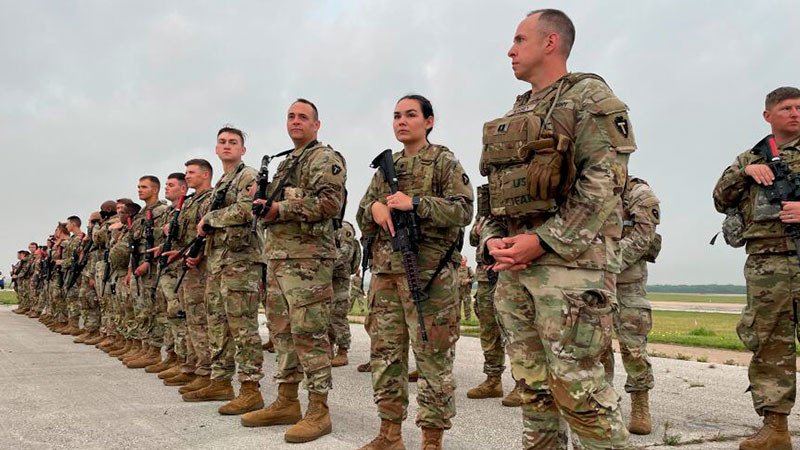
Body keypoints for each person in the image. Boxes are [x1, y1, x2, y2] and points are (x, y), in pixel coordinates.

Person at [479, 9, 636, 449]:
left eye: (520, 40)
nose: (510, 51)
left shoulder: (590, 98)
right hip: (516, 269)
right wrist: (492, 238)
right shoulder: (519, 111)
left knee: (580, 393)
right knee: (534, 391)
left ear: (550, 43)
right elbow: (493, 190)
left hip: (570, 271)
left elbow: (604, 182)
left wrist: (544, 240)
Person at [356, 94, 473, 450]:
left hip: (429, 276)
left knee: (433, 359)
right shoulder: (385, 168)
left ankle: (431, 440)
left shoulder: (443, 161)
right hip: (386, 275)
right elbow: (362, 212)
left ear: (429, 121)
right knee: (386, 358)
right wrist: (375, 209)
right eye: (396, 116)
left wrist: (416, 204)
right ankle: (389, 435)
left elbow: (463, 210)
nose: (402, 122)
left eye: (410, 115)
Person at [243, 99, 346, 444]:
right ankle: (287, 401)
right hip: (279, 259)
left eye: (303, 117)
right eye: (291, 116)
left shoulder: (324, 158)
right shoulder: (286, 161)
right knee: (282, 334)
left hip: (308, 262)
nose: (296, 121)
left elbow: (330, 204)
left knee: (310, 335)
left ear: (317, 125)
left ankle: (319, 410)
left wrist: (280, 207)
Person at [712, 86, 800, 450]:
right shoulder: (751, 156)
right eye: (786, 108)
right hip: (767, 264)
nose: (795, 113)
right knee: (769, 344)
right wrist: (746, 173)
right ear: (768, 116)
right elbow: (720, 198)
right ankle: (775, 429)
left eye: (799, 107)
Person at [181, 126, 265, 418]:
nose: (227, 146)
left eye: (233, 142)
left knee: (242, 327)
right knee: (217, 324)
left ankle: (250, 389)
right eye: (222, 142)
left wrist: (211, 218)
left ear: (243, 150)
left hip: (241, 262)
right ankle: (220, 380)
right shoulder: (222, 182)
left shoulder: (248, 176)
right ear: (216, 149)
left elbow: (247, 209)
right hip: (218, 262)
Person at [600, 176, 661, 435]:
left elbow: (643, 237)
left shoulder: (638, 192)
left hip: (627, 282)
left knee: (633, 348)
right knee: (596, 347)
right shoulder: (587, 186)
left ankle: (640, 405)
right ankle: (603, 404)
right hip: (593, 281)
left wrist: (604, 262)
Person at [169, 159, 215, 394]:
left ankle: (205, 370)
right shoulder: (189, 202)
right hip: (187, 265)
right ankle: (192, 365)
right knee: (189, 319)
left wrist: (198, 254)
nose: (186, 176)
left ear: (205, 175)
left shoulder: (211, 198)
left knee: (199, 320)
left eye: (191, 172)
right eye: (186, 172)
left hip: (201, 266)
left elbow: (209, 232)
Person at [465, 216, 521, 407]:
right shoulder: (483, 214)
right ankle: (493, 379)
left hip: (511, 271)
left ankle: (522, 383)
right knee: (488, 330)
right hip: (485, 275)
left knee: (515, 330)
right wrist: (478, 231)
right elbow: (473, 240)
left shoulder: (511, 207)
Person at [145, 173, 190, 381]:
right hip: (166, 269)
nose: (167, 188)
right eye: (166, 185)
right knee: (169, 314)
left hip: (179, 269)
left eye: (171, 185)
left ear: (183, 188)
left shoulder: (185, 208)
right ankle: (172, 356)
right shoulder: (170, 211)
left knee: (178, 315)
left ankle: (183, 360)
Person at [125, 176, 170, 370]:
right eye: (138, 186)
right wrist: (130, 269)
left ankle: (154, 351)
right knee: (142, 309)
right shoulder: (142, 214)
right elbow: (134, 245)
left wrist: (147, 262)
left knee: (154, 310)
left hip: (152, 268)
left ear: (155, 189)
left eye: (144, 187)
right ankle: (145, 347)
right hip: (138, 267)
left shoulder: (162, 211)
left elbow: (160, 241)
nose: (139, 190)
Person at [330, 219, 361, 367]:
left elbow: (345, 253)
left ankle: (343, 351)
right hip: (324, 277)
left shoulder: (344, 227)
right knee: (323, 314)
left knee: (338, 313)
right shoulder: (325, 225)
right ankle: (328, 348)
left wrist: (322, 263)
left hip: (339, 278)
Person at [457, 256, 474, 321]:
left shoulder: (469, 269)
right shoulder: (456, 269)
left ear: (466, 261)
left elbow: (475, 278)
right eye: (461, 260)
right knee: (457, 307)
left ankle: (468, 320)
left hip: (466, 291)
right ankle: (457, 321)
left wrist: (468, 280)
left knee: (467, 306)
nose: (462, 261)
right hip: (457, 291)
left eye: (463, 260)